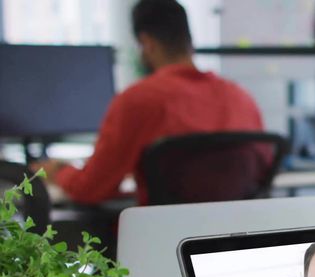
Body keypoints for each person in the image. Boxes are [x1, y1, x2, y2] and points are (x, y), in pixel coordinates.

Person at [33, 0, 265, 206]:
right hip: (230, 242)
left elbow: (91, 189)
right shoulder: (241, 97)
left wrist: (58, 171)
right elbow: (261, 171)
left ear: (146, 43)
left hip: (157, 241)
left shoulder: (139, 100)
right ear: (189, 41)